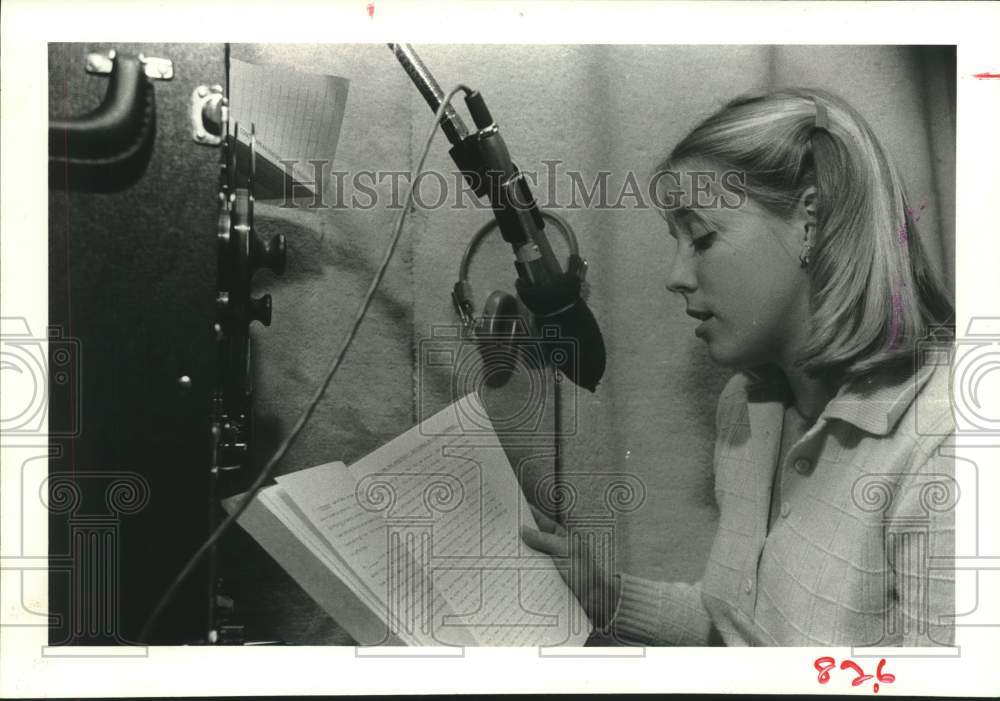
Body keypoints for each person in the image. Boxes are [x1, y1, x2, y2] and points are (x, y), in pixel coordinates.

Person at [521, 88, 957, 646]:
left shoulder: (947, 443)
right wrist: (608, 597)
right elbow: (743, 631)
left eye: (700, 238)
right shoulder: (747, 404)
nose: (675, 276)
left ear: (812, 220)